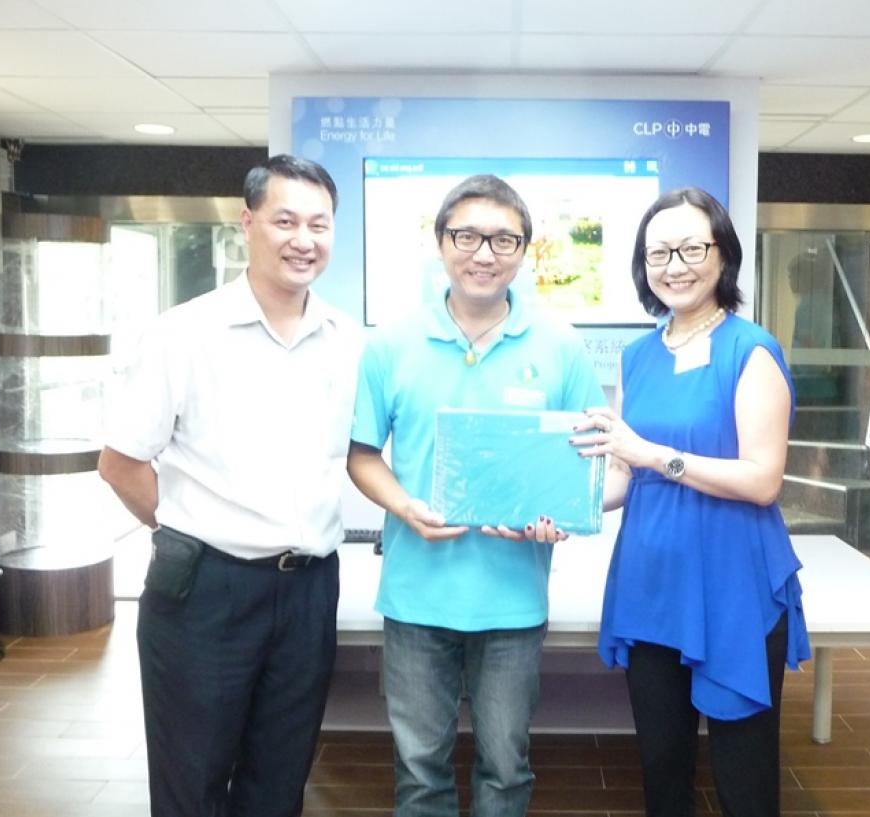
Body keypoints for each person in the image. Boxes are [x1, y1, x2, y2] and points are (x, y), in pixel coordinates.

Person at [97, 155, 360, 817]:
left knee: (280, 783)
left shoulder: (348, 341)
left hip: (308, 592)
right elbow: (120, 462)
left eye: (319, 224)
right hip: (205, 592)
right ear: (247, 224)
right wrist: (189, 530)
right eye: (285, 221)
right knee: (193, 784)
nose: (304, 239)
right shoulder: (184, 332)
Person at [347, 174, 605, 817]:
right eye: (467, 236)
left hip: (513, 600)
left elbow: (593, 460)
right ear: (441, 242)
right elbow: (362, 455)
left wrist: (558, 515)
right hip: (415, 595)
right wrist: (403, 506)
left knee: (506, 770)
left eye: (503, 239)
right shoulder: (391, 343)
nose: (484, 254)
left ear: (524, 251)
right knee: (418, 772)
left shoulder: (561, 345)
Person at [572, 187, 811, 817]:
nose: (673, 266)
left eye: (690, 249)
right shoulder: (637, 357)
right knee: (661, 763)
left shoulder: (750, 349)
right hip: (651, 579)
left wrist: (657, 457)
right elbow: (622, 475)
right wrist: (558, 504)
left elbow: (763, 479)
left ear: (722, 254)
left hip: (733, 581)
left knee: (744, 771)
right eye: (658, 253)